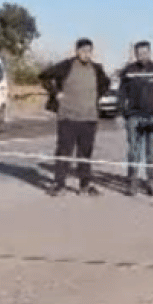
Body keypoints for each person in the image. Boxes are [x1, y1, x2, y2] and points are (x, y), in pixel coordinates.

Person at [38, 37, 112, 197]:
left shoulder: (96, 68)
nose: (86, 54)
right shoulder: (67, 65)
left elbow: (106, 84)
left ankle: (85, 185)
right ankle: (59, 185)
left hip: (89, 118)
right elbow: (44, 76)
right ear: (77, 51)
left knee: (85, 154)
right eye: (83, 50)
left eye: (89, 51)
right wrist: (56, 93)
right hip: (68, 118)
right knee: (64, 152)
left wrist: (95, 98)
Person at [117, 40, 153, 196]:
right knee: (134, 151)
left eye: (145, 52)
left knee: (152, 152)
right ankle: (132, 182)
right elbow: (121, 93)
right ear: (135, 54)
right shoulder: (128, 71)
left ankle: (151, 182)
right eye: (139, 53)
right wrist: (122, 112)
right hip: (134, 117)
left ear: (150, 52)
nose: (142, 56)